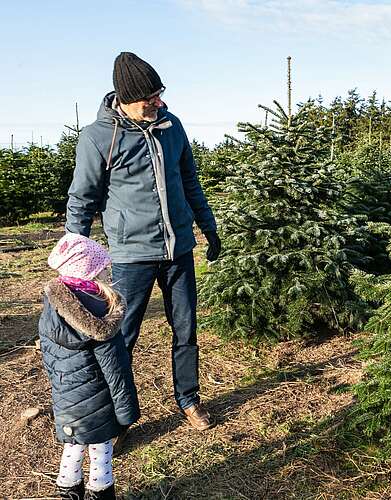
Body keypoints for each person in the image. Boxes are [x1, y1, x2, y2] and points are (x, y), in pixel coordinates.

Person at [65, 52, 221, 431]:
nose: (159, 102)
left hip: (178, 250)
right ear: (127, 96)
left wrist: (208, 226)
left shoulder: (172, 126)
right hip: (131, 257)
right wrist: (74, 257)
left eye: (160, 94)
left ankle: (188, 399)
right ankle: (114, 417)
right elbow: (82, 198)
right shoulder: (98, 137)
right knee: (121, 337)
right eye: (150, 97)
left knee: (185, 329)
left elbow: (190, 182)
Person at [39, 233, 139, 500]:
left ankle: (68, 494)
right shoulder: (102, 317)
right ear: (90, 273)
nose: (108, 269)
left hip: (66, 401)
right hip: (98, 402)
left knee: (72, 449)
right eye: (103, 266)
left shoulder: (51, 309)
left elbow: (50, 361)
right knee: (101, 453)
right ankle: (100, 493)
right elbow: (116, 371)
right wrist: (127, 413)